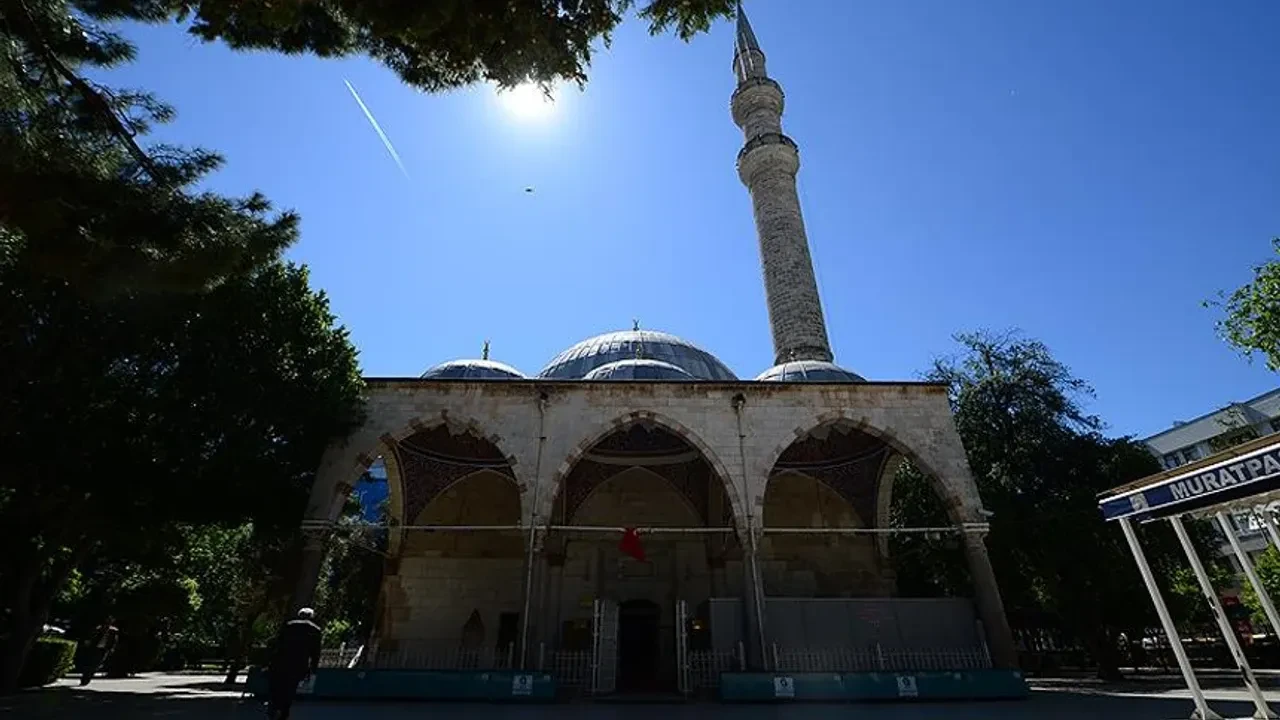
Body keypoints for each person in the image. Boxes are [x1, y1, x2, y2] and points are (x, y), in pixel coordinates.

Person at [266, 608, 322, 720]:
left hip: (281, 661)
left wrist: (269, 661)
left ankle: (273, 708)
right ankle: (284, 712)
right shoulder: (315, 630)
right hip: (298, 664)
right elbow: (315, 652)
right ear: (311, 616)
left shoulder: (288, 625)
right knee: (290, 688)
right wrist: (313, 669)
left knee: (277, 686)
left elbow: (276, 644)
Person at [78, 617, 119, 686]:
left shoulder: (113, 631)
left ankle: (87, 679)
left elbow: (114, 641)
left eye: (109, 622)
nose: (107, 624)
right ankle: (84, 679)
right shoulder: (99, 629)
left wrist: (111, 649)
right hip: (94, 648)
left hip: (103, 650)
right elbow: (92, 637)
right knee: (89, 664)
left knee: (96, 665)